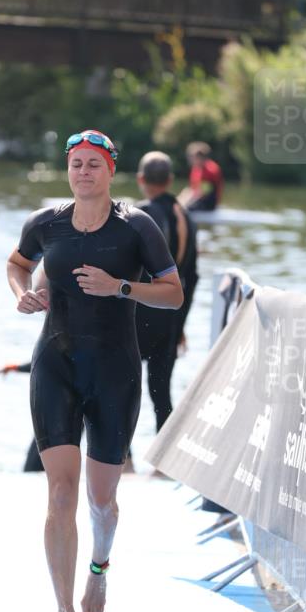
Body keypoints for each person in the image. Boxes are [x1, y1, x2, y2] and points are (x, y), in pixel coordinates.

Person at [6, 129, 183, 612]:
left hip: (115, 372)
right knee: (60, 491)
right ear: (68, 170)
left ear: (111, 171)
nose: (83, 172)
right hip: (55, 364)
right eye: (76, 164)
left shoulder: (137, 228)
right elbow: (18, 264)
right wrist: (21, 293)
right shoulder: (46, 224)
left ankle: (99, 568)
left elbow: (173, 294)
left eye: (93, 164)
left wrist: (120, 287)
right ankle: (63, 607)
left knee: (101, 500)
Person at [135, 150, 198, 434]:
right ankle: (164, 464)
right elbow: (192, 277)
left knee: (123, 386)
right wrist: (181, 322)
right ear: (171, 179)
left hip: (144, 314)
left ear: (141, 179)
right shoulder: (186, 215)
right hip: (172, 315)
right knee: (160, 392)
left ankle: (125, 461)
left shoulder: (143, 213)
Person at [178, 141, 224, 212]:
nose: (190, 159)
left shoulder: (211, 170)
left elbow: (204, 192)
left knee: (183, 209)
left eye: (191, 157)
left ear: (199, 157)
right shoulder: (196, 169)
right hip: (201, 199)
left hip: (209, 204)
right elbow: (193, 188)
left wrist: (185, 201)